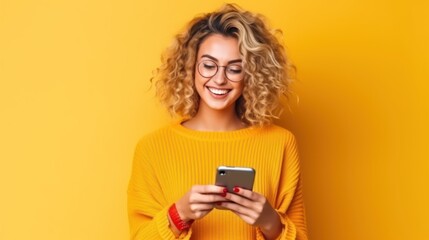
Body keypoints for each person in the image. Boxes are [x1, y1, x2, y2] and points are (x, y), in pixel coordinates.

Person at [128, 3, 308, 240]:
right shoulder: (152, 148)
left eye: (234, 69)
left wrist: (268, 219)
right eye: (209, 66)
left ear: (251, 75)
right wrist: (179, 213)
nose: (220, 79)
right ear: (191, 67)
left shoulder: (280, 143)